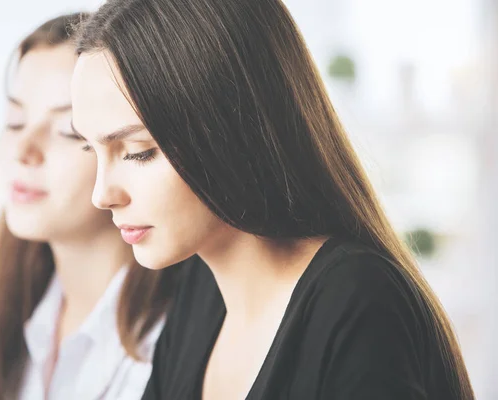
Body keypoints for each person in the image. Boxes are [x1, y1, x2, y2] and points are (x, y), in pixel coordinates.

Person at [70, 0, 475, 398]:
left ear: (230, 128)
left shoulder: (358, 302)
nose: (101, 195)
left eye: (138, 151)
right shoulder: (198, 290)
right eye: (91, 150)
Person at [0, 13, 179, 400]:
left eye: (68, 130)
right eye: (15, 121)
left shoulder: (171, 342)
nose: (23, 150)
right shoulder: (16, 309)